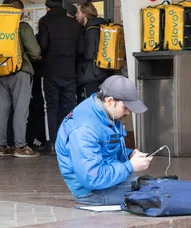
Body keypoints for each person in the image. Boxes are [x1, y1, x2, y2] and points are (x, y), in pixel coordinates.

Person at [56, 75, 152, 205]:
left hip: (107, 183)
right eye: (126, 107)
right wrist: (130, 166)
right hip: (92, 192)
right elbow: (93, 178)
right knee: (155, 193)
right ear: (110, 101)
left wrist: (129, 155)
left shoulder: (104, 113)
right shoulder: (84, 130)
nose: (128, 113)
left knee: (155, 186)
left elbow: (108, 150)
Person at [37, 0, 83, 155]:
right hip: (69, 72)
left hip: (50, 72)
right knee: (69, 107)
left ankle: (52, 143)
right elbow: (81, 50)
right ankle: (69, 141)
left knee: (50, 107)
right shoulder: (74, 24)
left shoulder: (46, 22)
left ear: (48, 7)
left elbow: (42, 45)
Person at [0, 0, 42, 158]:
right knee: (21, 110)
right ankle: (20, 146)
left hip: (0, 72)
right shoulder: (23, 27)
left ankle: (1, 146)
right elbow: (35, 52)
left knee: (2, 110)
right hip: (21, 71)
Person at [75, 2, 111, 103]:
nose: (76, 15)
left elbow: (88, 53)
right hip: (100, 74)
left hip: (91, 76)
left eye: (78, 12)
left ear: (85, 13)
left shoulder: (91, 30)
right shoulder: (100, 27)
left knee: (91, 107)